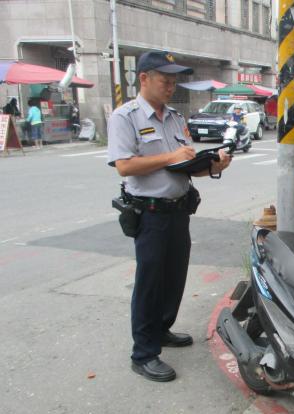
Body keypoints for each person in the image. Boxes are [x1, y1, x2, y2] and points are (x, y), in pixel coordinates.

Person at [107, 51, 232, 382]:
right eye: (165, 80)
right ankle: (143, 353)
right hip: (149, 214)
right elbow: (125, 165)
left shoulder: (176, 118)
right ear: (144, 78)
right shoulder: (126, 117)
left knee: (174, 278)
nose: (171, 86)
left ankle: (161, 330)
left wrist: (213, 166)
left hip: (179, 212)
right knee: (150, 284)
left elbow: (185, 167)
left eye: (174, 81)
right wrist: (170, 156)